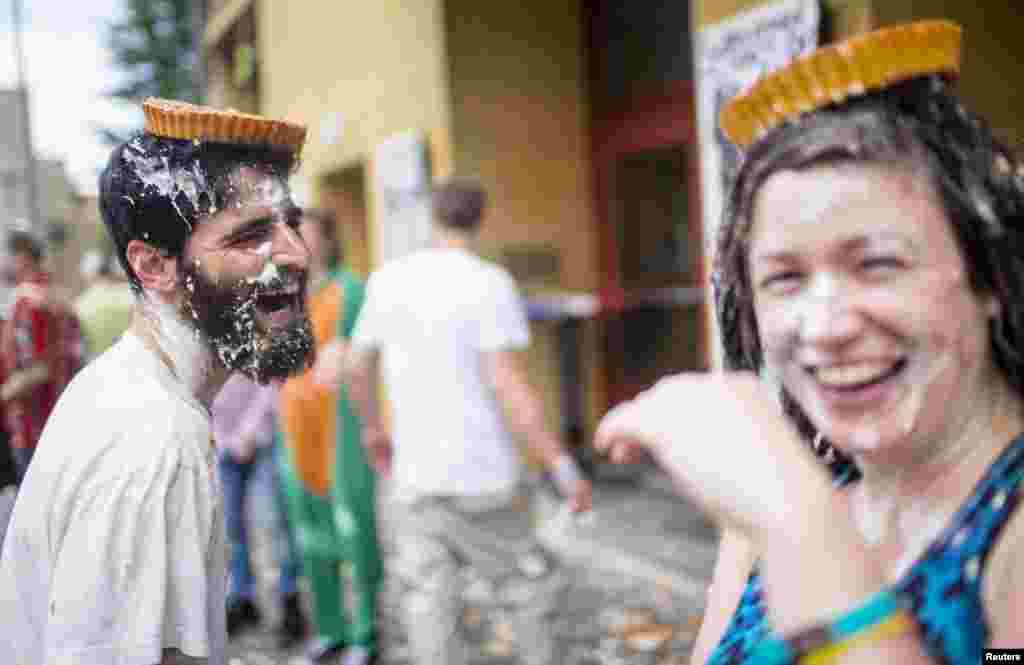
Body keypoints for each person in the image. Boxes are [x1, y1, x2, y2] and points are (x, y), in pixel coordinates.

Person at [594, 20, 1024, 665]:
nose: (824, 328)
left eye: (877, 264)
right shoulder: (789, 487)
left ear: (989, 277)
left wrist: (801, 528)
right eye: (784, 279)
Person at [0, 98, 314, 665]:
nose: (295, 254)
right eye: (251, 236)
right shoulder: (156, 442)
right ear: (153, 265)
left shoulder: (133, 393)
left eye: (291, 223)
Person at [338, 177, 593, 665]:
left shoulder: (388, 280)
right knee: (526, 589)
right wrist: (561, 466)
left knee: (429, 607)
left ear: (432, 216)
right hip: (484, 478)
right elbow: (507, 386)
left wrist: (373, 430)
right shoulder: (489, 283)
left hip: (415, 480)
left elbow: (355, 365)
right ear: (480, 219)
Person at [277, 209, 382, 665]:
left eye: (306, 233)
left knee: (354, 532)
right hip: (295, 426)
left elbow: (353, 362)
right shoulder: (284, 292)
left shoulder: (351, 290)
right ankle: (330, 629)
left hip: (340, 426)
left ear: (327, 241)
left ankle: (365, 635)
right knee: (309, 534)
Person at [211, 373, 308, 646]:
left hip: (264, 437)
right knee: (230, 526)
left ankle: (290, 601)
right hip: (222, 441)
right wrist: (221, 437)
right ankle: (242, 599)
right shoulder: (201, 336)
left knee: (274, 520)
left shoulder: (262, 332)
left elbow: (275, 382)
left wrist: (248, 432)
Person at [0, 229, 84, 482]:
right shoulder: (58, 298)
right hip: (62, 421)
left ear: (23, 258)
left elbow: (37, 370)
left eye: (10, 256)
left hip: (33, 426)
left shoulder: (29, 303)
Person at [74, 250, 135, 360]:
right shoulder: (133, 296)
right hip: (134, 362)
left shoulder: (80, 305)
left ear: (87, 275)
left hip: (100, 366)